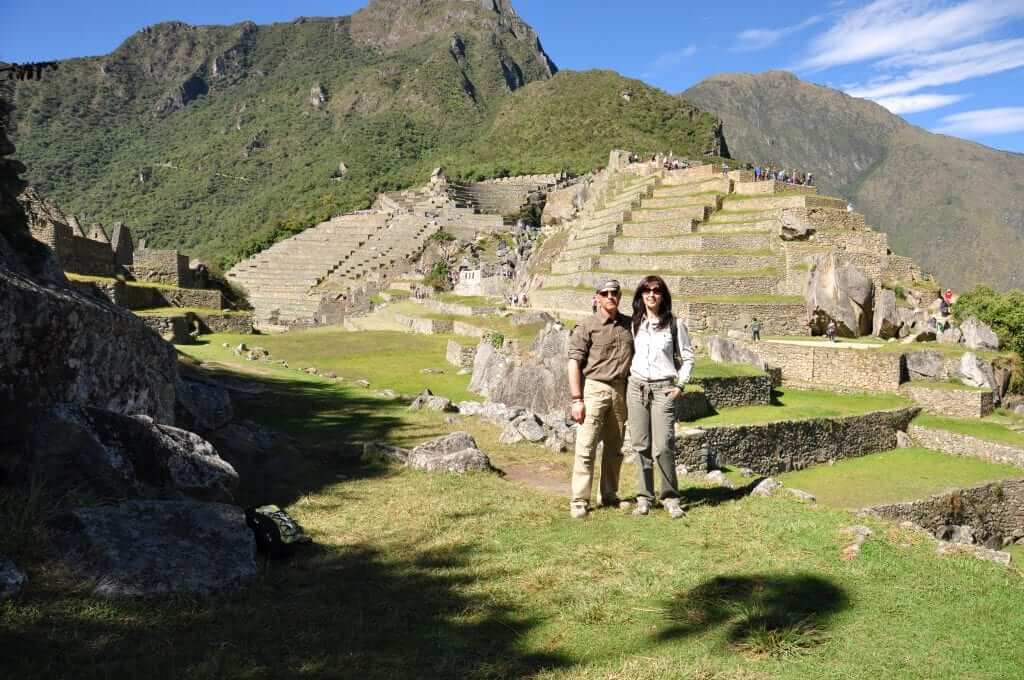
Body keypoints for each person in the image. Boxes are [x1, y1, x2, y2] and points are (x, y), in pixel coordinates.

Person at [627, 276, 694, 519]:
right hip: (636, 387)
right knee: (640, 445)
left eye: (656, 290)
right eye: (646, 290)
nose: (651, 294)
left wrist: (681, 385)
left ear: (663, 295)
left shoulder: (675, 325)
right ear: (641, 295)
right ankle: (644, 497)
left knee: (664, 445)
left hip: (663, 388)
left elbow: (688, 357)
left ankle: (670, 497)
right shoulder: (635, 323)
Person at [566, 279, 634, 519]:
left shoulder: (629, 325)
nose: (610, 296)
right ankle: (579, 500)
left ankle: (608, 494)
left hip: (620, 391)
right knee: (586, 447)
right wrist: (576, 399)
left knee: (615, 449)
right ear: (597, 297)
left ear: (619, 296)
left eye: (614, 292)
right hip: (594, 389)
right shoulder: (587, 326)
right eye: (604, 293)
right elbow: (574, 362)